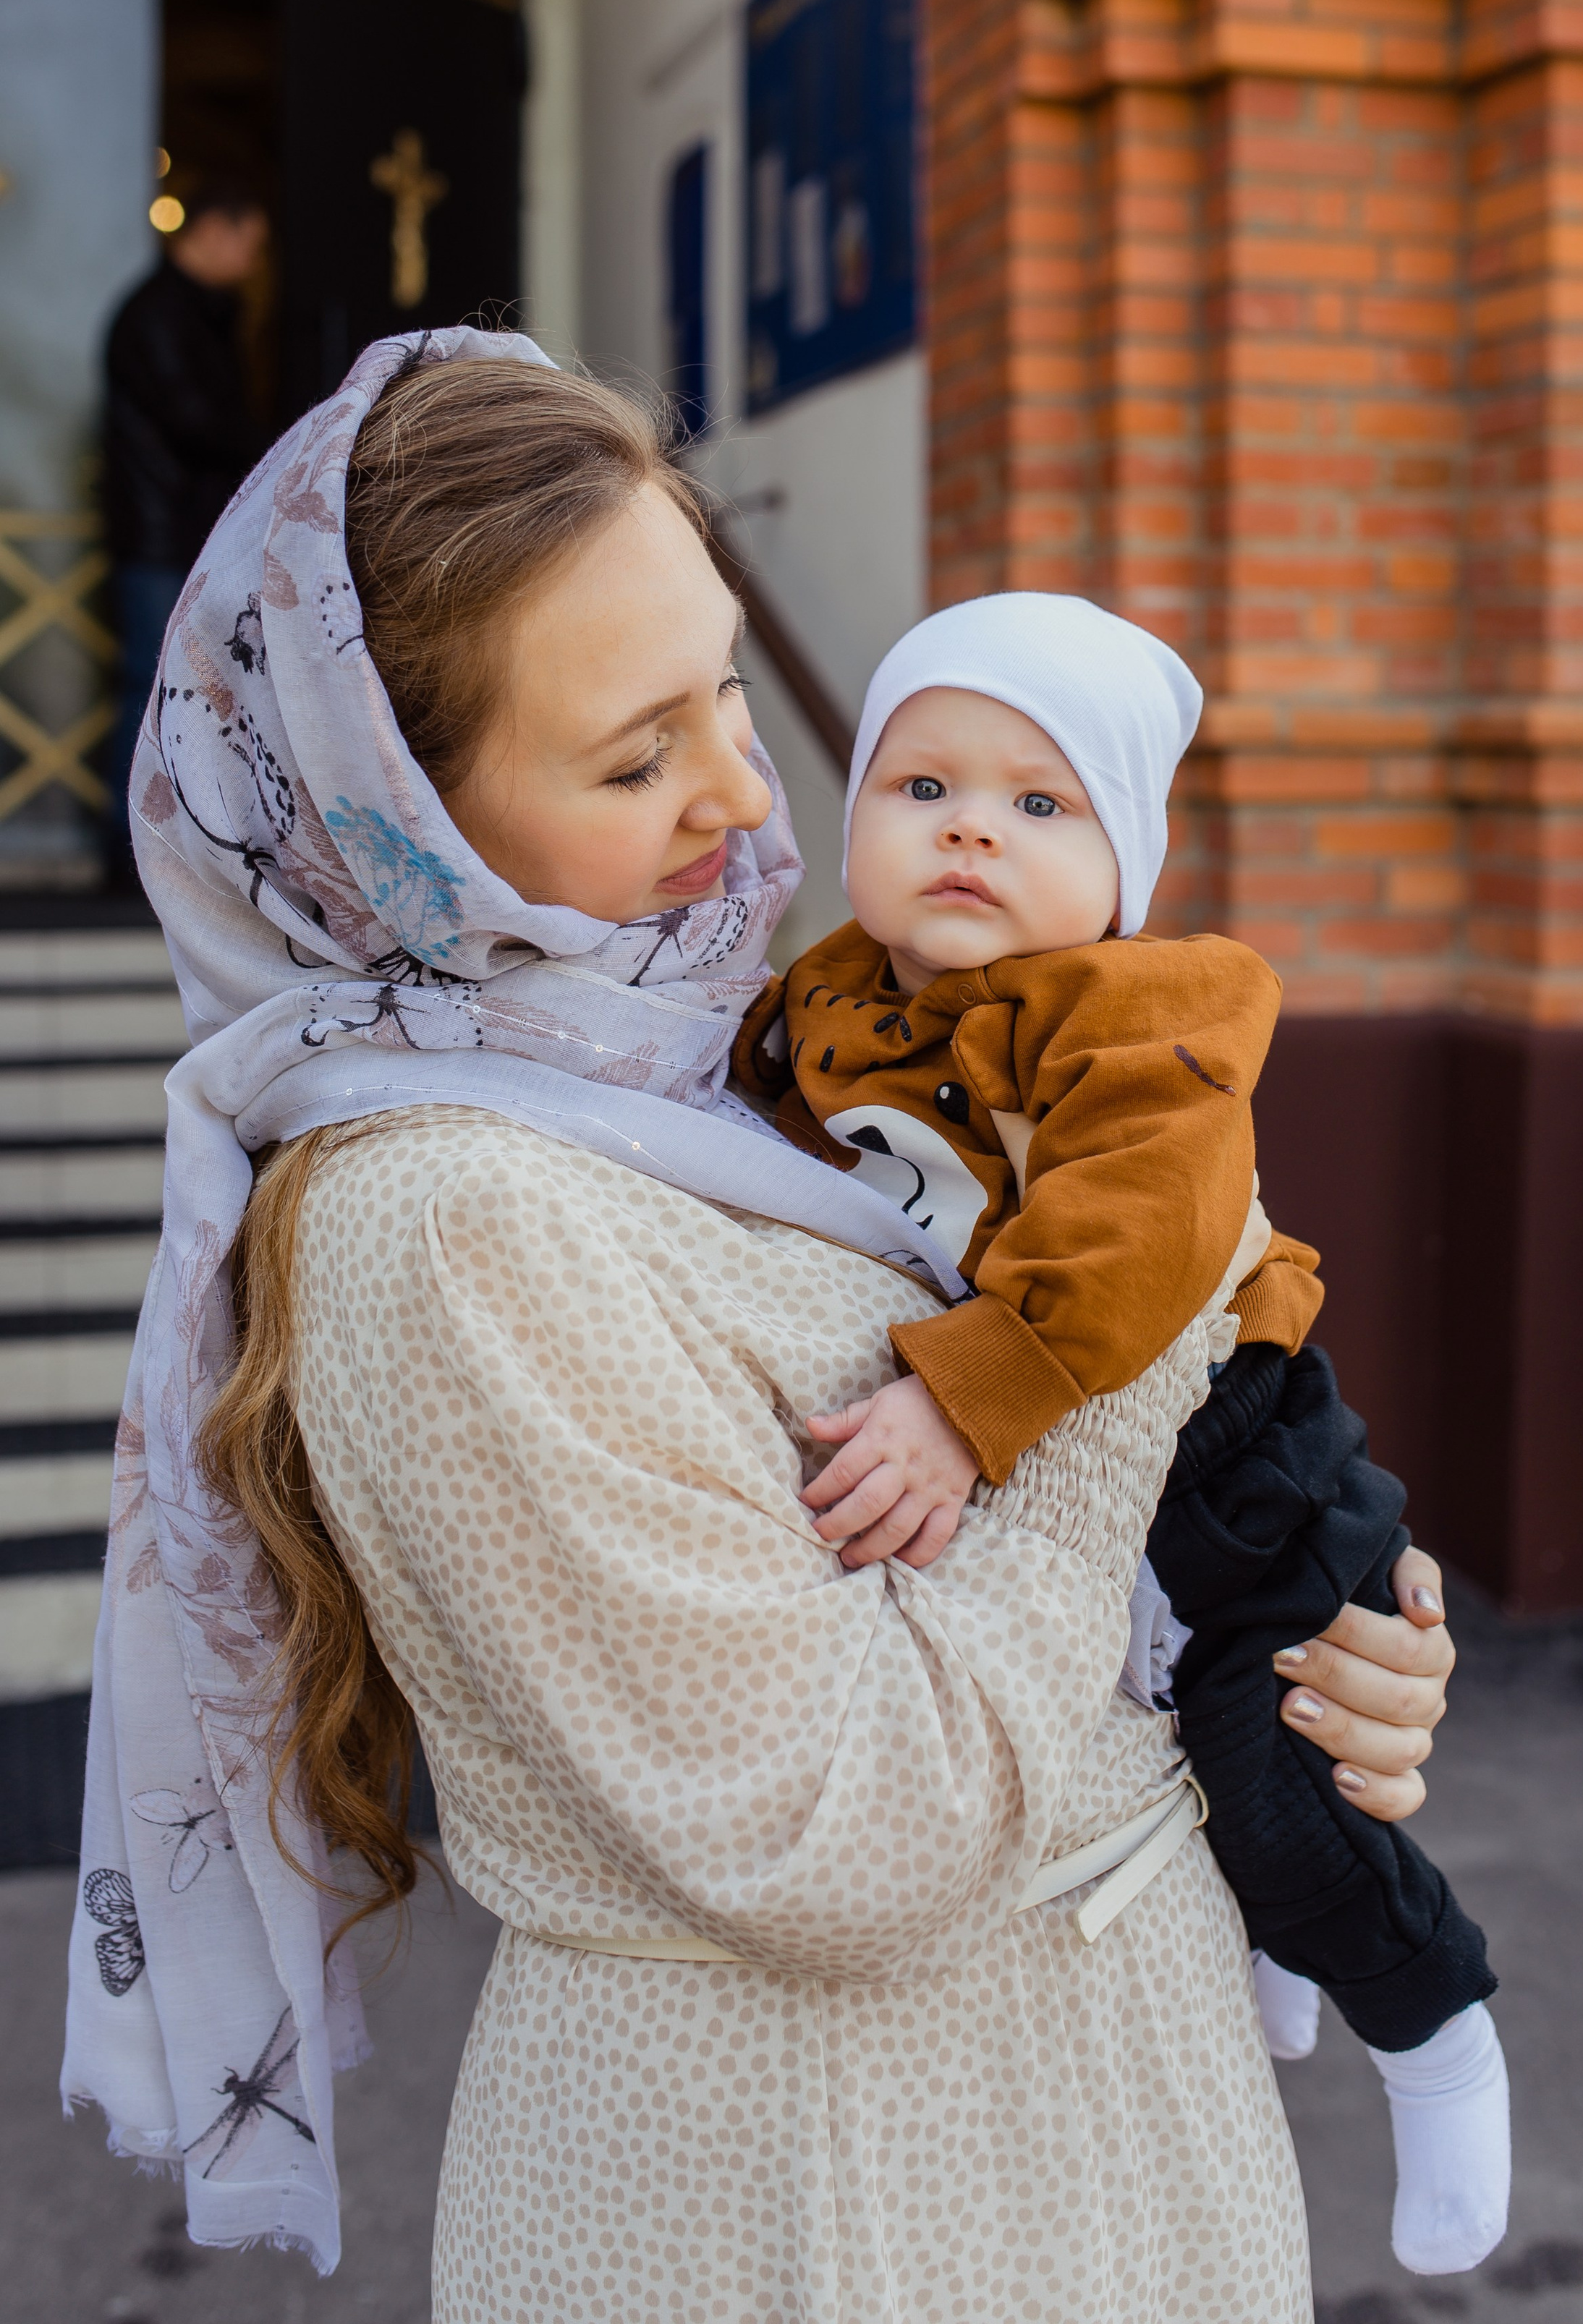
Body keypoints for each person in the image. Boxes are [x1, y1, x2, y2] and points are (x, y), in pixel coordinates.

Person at [64, 332, 1461, 2324]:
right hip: (812, 2199)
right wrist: (1133, 1346)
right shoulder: (446, 1215)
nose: (741, 781)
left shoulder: (733, 1072)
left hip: (1077, 2130)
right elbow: (837, 1831)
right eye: (634, 756)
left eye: (725, 680)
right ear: (396, 832)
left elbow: (1067, 1588)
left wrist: (1328, 1649)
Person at [734, 596, 1509, 2277]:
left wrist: (962, 1395)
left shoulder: (1133, 1013)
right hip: (1082, 1499)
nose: (966, 827)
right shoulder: (817, 1005)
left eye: (1038, 802)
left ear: (1120, 859)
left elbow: (1141, 1233)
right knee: (1192, 1796)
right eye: (918, 781)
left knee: (1280, 1789)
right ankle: (1290, 1957)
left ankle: (1430, 2023)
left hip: (1243, 1471)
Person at [99, 179, 267, 887]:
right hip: (165, 538)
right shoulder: (160, 316)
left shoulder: (191, 312)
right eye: (251, 245)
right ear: (213, 232)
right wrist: (281, 447)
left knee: (188, 695)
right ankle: (134, 854)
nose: (255, 262)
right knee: (153, 694)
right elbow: (196, 422)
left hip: (183, 536)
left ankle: (176, 852)